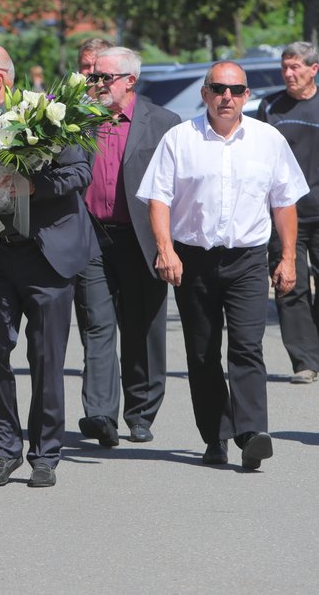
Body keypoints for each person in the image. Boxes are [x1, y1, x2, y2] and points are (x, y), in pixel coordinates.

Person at [137, 61, 308, 471]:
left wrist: (287, 257)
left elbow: (284, 202)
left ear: (247, 95)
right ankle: (216, 436)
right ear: (205, 94)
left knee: (248, 347)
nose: (226, 97)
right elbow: (158, 199)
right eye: (218, 89)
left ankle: (251, 433)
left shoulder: (268, 140)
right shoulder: (180, 138)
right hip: (193, 258)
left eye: (235, 90)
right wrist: (166, 249)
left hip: (247, 259)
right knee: (202, 352)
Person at [0, 43, 100, 488]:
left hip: (46, 253)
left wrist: (27, 187)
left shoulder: (44, 114)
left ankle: (46, 453)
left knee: (45, 357)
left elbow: (77, 174)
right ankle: (5, 448)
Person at [75, 47, 181, 448]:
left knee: (142, 328)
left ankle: (140, 412)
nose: (96, 85)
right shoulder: (78, 121)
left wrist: (168, 244)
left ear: (130, 81)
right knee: (97, 326)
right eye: (92, 77)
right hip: (91, 239)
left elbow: (177, 190)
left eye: (104, 78)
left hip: (142, 239)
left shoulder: (163, 123)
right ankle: (100, 414)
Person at [257, 42, 319, 384]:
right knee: (289, 285)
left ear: (314, 69)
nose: (289, 73)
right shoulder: (270, 106)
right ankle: (305, 361)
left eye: (295, 67)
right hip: (282, 213)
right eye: (285, 67)